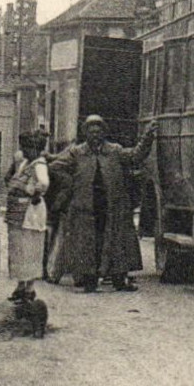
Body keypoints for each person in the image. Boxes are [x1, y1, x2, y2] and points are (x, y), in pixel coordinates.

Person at [48, 115, 155, 292]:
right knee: (89, 244)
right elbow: (55, 167)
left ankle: (119, 279)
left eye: (99, 131)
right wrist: (72, 183)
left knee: (116, 241)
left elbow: (136, 156)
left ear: (104, 133)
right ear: (85, 133)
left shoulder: (114, 150)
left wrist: (147, 137)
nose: (95, 135)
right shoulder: (77, 152)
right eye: (91, 131)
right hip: (87, 207)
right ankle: (89, 280)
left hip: (112, 205)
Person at [4, 132, 52, 301]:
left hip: (31, 212)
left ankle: (29, 288)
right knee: (18, 248)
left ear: (35, 149)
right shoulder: (24, 162)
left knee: (30, 248)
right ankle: (20, 285)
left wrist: (31, 191)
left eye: (26, 148)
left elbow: (44, 183)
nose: (23, 150)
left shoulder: (39, 165)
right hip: (18, 211)